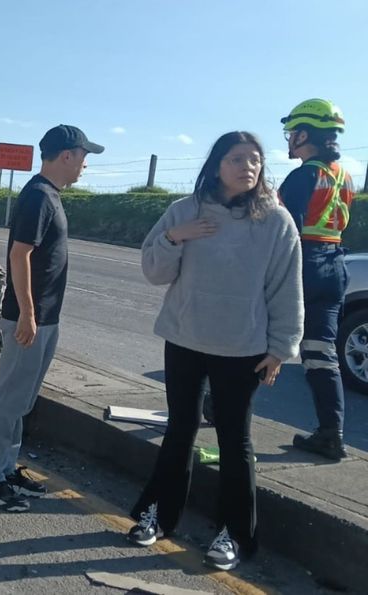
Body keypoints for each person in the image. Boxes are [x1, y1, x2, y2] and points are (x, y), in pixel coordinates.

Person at [127, 131, 302, 572]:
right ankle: (158, 515)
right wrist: (174, 237)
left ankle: (235, 534)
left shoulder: (276, 221)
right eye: (237, 158)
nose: (248, 166)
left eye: (255, 159)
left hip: (243, 348)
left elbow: (285, 289)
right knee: (180, 429)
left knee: (234, 439)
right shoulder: (184, 211)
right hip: (185, 338)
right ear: (216, 165)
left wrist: (281, 348)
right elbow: (153, 271)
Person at [0, 124, 104, 512]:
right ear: (67, 155)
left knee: (21, 400)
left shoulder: (48, 195)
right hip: (29, 319)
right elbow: (19, 255)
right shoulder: (39, 197)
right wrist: (28, 313)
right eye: (83, 156)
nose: (85, 164)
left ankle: (4, 468)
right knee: (8, 400)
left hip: (44, 318)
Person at [278, 99, 353, 460]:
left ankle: (219, 407)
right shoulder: (344, 176)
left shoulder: (303, 175)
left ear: (305, 135)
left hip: (303, 262)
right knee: (321, 353)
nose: (290, 138)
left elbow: (284, 231)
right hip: (334, 264)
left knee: (261, 336)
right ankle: (330, 434)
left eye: (293, 132)